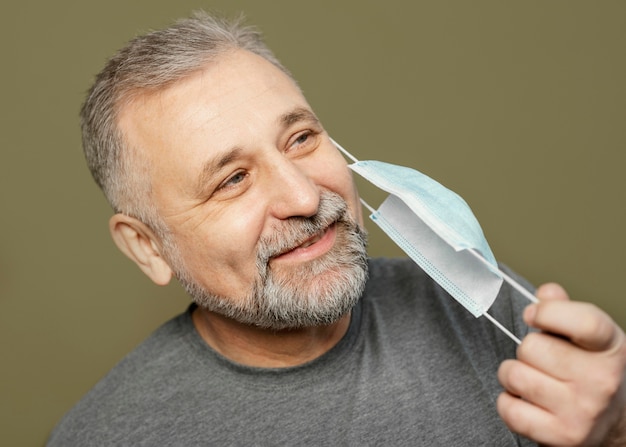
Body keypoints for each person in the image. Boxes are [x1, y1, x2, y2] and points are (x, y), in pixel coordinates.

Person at [48, 11, 625, 446]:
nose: (303, 196)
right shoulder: (107, 435)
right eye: (232, 179)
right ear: (147, 247)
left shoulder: (470, 299)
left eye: (300, 139)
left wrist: (617, 425)